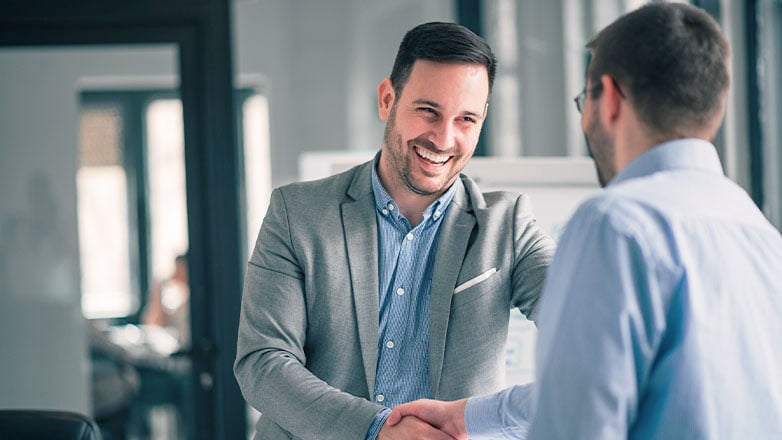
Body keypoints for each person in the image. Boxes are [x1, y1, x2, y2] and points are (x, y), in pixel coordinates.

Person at [388, 3, 782, 438]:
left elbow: (578, 422)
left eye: (584, 99)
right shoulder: (760, 233)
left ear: (608, 97)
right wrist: (472, 415)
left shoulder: (617, 224)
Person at [234, 21, 556, 440]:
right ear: (388, 99)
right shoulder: (297, 213)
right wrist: (376, 430)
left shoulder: (508, 225)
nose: (444, 138)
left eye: (466, 119)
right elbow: (263, 363)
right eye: (428, 111)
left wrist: (489, 419)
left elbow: (595, 336)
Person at [142, 253, 190, 349]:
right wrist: (158, 288)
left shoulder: (193, 303)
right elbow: (154, 323)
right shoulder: (181, 302)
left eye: (180, 268)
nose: (176, 272)